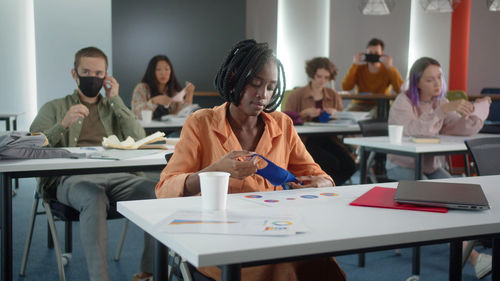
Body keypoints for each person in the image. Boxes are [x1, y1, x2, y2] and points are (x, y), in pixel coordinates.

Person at [155, 40, 346, 281]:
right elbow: (164, 189)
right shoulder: (200, 122)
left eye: (270, 87)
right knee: (281, 266)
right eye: (255, 84)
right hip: (218, 237)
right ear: (234, 78)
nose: (262, 95)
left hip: (274, 230)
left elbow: (321, 177)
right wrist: (215, 172)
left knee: (320, 261)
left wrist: (322, 183)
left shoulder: (282, 124)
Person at [30, 47, 155, 281]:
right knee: (93, 198)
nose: (92, 78)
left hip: (118, 177)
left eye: (99, 73)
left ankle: (149, 273)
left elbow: (140, 138)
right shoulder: (55, 107)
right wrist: (63, 124)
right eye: (86, 71)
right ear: (74, 73)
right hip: (72, 180)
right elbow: (31, 147)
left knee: (157, 192)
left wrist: (115, 99)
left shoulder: (113, 107)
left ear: (106, 76)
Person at [386, 57, 492, 280]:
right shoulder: (402, 102)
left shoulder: (439, 102)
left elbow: (456, 129)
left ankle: (470, 248)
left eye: (439, 77)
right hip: (401, 166)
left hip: (429, 167)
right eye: (430, 79)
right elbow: (414, 130)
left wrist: (478, 113)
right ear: (417, 82)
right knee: (438, 198)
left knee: (463, 194)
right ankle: (474, 257)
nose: (437, 83)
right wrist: (443, 110)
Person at [285, 57, 356, 185]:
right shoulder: (296, 95)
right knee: (330, 162)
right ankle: (327, 186)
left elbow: (342, 121)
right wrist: (303, 114)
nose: (322, 81)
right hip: (305, 141)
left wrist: (335, 114)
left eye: (326, 78)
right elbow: (285, 121)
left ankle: (329, 186)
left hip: (329, 138)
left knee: (350, 165)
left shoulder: (333, 95)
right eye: (319, 76)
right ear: (312, 74)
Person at [342, 38, 404, 115]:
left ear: (382, 54)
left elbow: (400, 89)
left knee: (373, 116)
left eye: (376, 53)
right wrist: (355, 65)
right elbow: (346, 87)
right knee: (346, 115)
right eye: (370, 52)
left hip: (380, 105)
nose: (373, 55)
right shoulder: (359, 69)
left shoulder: (387, 70)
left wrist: (390, 68)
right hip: (359, 104)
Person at [131, 54, 195, 120]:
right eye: (158, 69)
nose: (163, 73)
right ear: (152, 72)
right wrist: (154, 101)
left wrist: (189, 94)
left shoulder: (173, 90)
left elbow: (183, 114)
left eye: (167, 69)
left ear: (171, 71)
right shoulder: (142, 88)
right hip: (147, 129)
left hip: (170, 129)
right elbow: (136, 114)